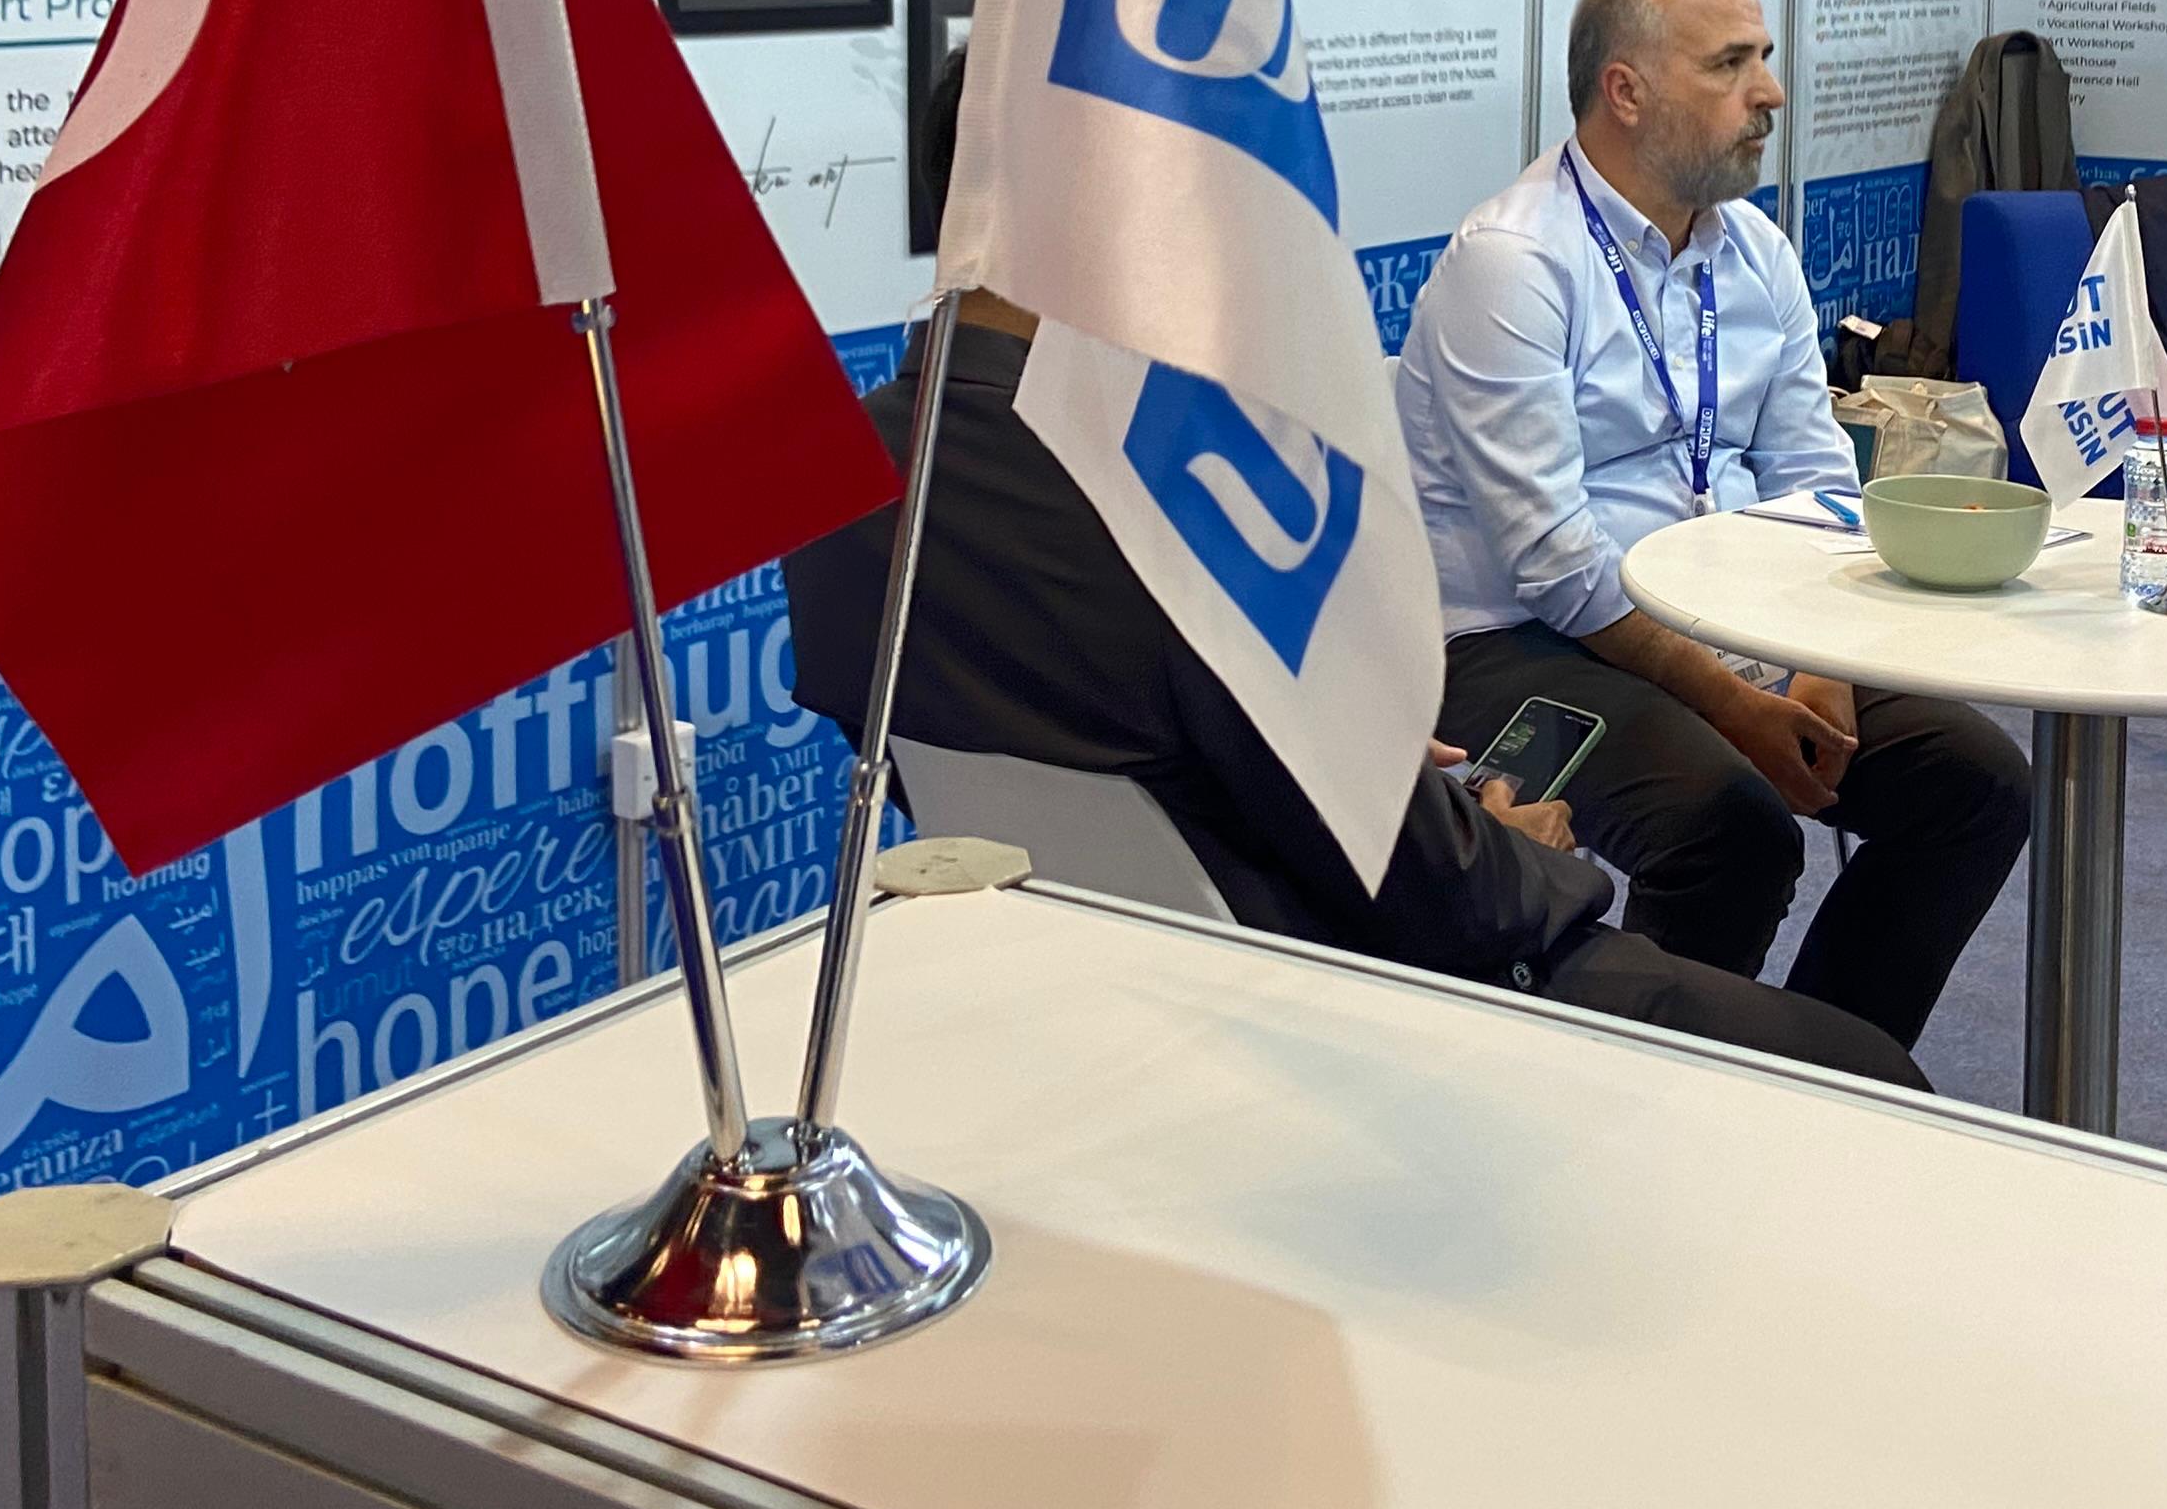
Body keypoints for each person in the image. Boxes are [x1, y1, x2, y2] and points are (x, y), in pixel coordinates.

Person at [778, 55, 1927, 1092]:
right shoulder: (1188, 494)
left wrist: (1346, 755)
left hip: (1088, 970)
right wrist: (1517, 853)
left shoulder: (840, 478)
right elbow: (1444, 893)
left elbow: (1048, 746)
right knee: (1873, 1080)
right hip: (1338, 999)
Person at [1397, 0, 2035, 1057]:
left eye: (1764, 59)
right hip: (1514, 641)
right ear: (1627, 91)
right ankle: (1646, 1089)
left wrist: (1821, 661)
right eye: (1731, 65)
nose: (1770, 93)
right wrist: (1737, 704)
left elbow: (1817, 480)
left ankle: (1826, 1070)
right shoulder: (1512, 263)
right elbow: (1554, 562)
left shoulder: (1755, 253)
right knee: (1727, 826)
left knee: (1976, 784)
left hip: (1728, 615)